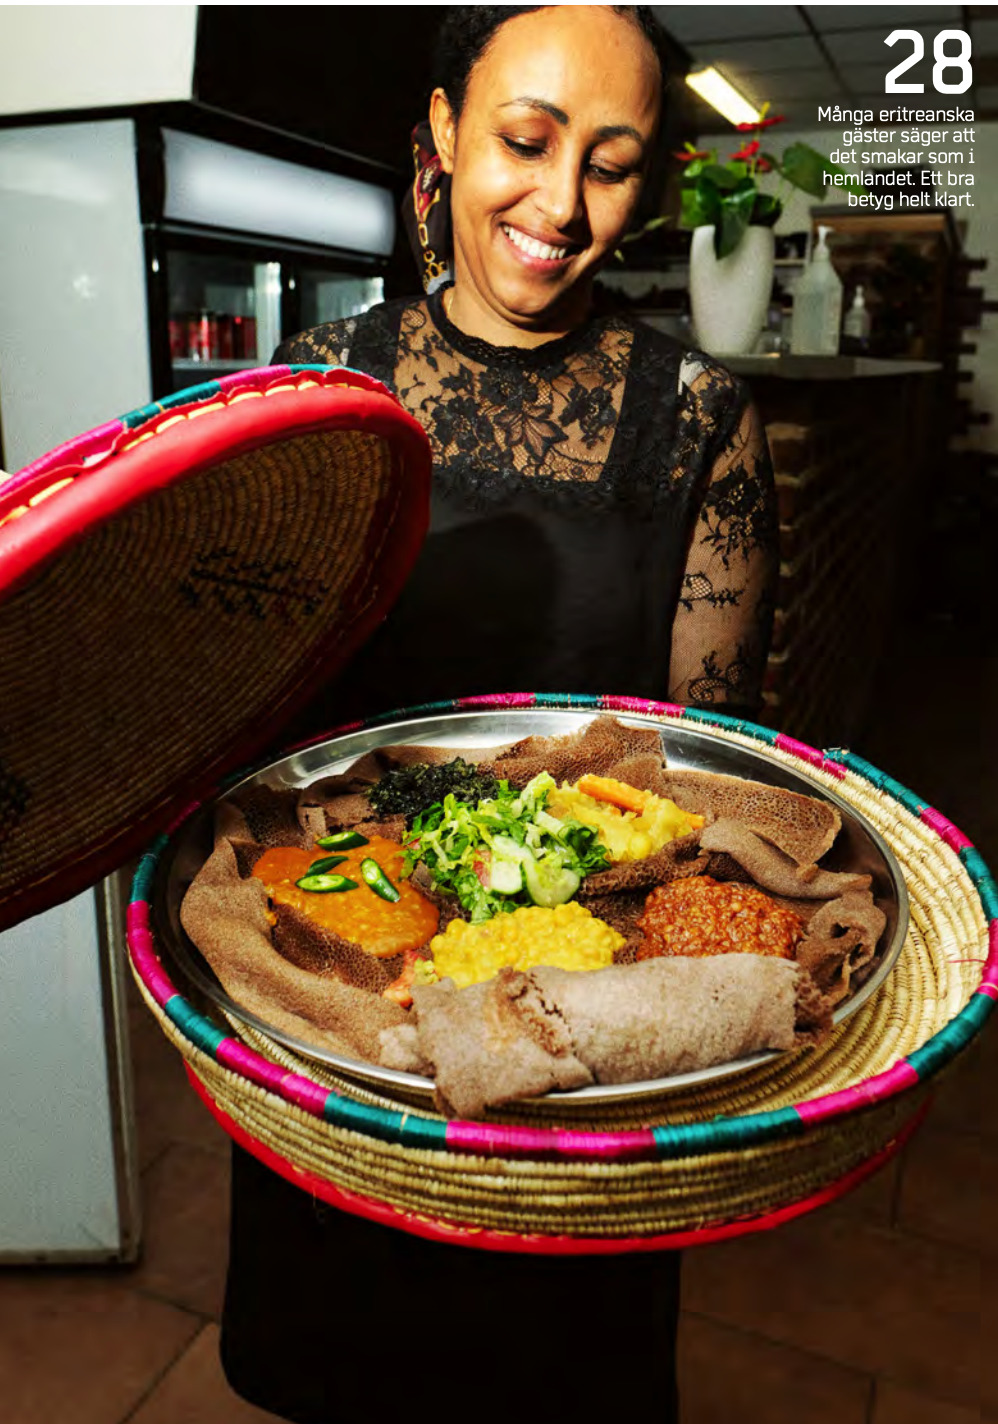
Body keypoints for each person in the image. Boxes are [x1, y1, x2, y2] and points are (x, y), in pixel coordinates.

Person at [221, 9, 778, 1421]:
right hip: (348, 1007)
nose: (557, 206)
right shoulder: (318, 384)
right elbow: (244, 710)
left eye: (609, 163)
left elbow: (713, 780)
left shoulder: (699, 413)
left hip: (570, 1039)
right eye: (523, 143)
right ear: (443, 136)